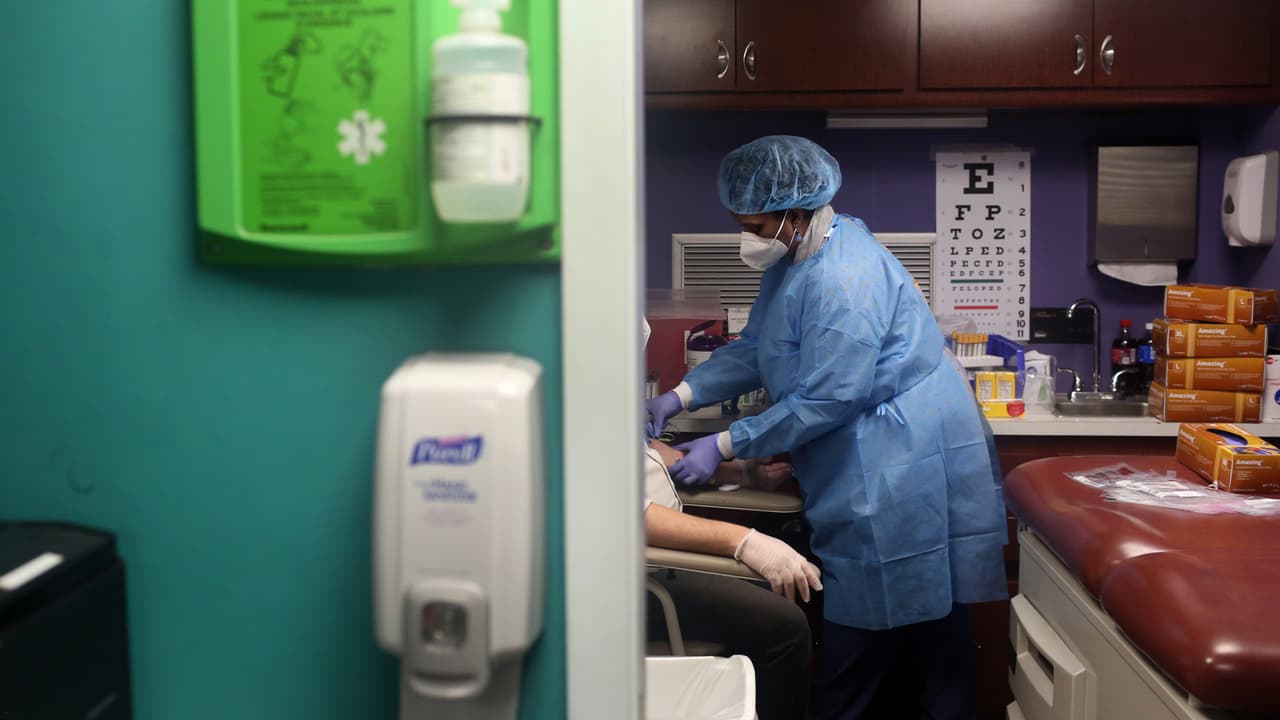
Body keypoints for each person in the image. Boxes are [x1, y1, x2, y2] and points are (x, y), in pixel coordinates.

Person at [645, 136, 1008, 720]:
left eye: (755, 226)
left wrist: (726, 443)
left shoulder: (845, 277)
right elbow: (760, 346)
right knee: (917, 625)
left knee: (893, 629)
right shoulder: (798, 259)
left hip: (902, 451)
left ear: (793, 212)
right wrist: (682, 395)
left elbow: (828, 397)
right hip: (872, 438)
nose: (748, 239)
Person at [643, 437, 819, 720]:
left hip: (654, 563)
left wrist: (737, 473)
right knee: (786, 627)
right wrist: (742, 541)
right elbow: (629, 513)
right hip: (633, 585)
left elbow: (649, 451)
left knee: (780, 589)